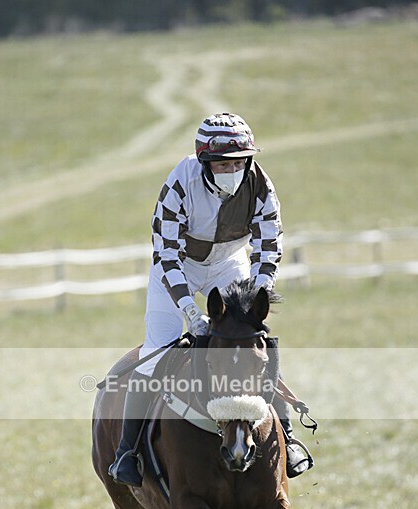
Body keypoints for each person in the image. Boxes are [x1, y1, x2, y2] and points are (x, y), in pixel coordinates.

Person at [109, 112, 310, 486]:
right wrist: (190, 311)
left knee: (253, 347)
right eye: (221, 163)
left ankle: (289, 435)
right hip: (178, 265)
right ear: (204, 162)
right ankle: (128, 452)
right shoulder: (179, 183)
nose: (232, 171)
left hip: (229, 265)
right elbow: (166, 254)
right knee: (157, 352)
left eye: (238, 163)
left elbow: (270, 248)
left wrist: (256, 303)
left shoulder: (261, 185)